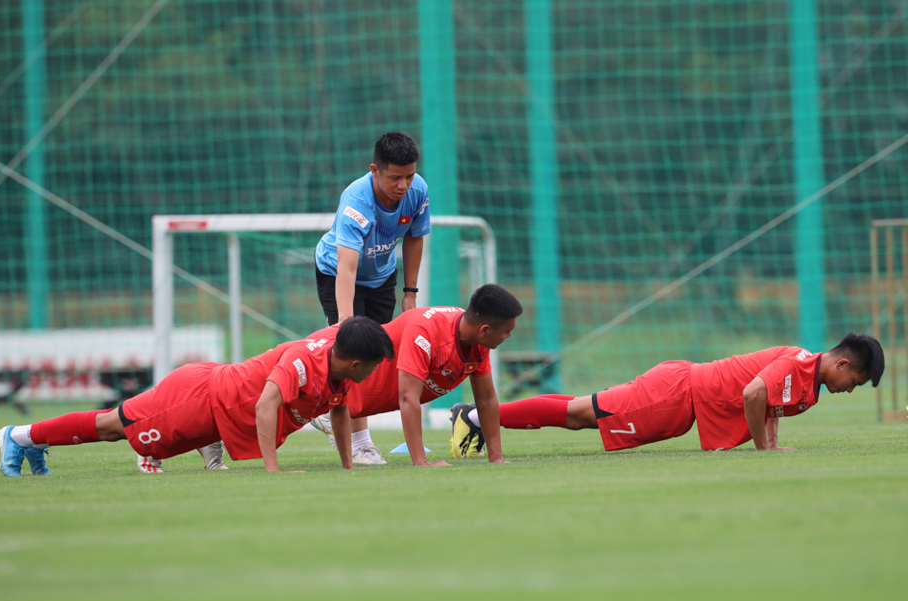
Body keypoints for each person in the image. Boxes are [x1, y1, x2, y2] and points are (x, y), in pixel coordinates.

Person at [0, 317, 395, 477]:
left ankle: (34, 442)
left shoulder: (340, 374)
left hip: (215, 411)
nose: (377, 371)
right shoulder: (304, 361)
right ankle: (18, 435)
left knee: (123, 430)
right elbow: (266, 404)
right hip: (196, 398)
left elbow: (340, 415)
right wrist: (274, 472)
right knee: (112, 426)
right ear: (357, 362)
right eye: (376, 365)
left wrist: (348, 466)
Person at [449, 333, 884, 455]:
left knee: (584, 411)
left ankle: (480, 415)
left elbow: (766, 402)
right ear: (843, 364)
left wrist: (769, 442)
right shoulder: (797, 363)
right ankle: (476, 416)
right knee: (583, 413)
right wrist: (763, 448)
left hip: (684, 397)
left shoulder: (808, 380)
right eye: (856, 382)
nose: (850, 390)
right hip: (677, 391)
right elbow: (755, 393)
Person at [311, 131, 430, 464]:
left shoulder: (417, 190)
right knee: (354, 352)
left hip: (381, 277)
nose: (404, 185)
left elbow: (415, 238)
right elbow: (346, 269)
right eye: (395, 177)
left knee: (375, 357)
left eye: (409, 176)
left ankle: (327, 413)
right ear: (375, 170)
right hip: (338, 273)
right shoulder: (356, 202)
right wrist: (347, 325)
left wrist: (410, 293)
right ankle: (361, 444)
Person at [348, 284, 522, 466]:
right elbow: (408, 398)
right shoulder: (425, 333)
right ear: (484, 330)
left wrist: (496, 458)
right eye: (506, 331)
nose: (509, 335)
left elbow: (486, 399)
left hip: (348, 407)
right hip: (331, 394)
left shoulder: (477, 339)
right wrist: (421, 463)